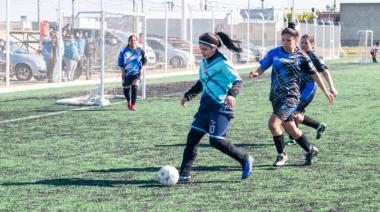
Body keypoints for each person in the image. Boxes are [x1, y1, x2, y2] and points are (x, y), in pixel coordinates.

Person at [249, 23, 335, 167]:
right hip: (276, 95)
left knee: (273, 124)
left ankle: (282, 155)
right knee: (290, 128)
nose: (285, 42)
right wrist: (256, 73)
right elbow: (263, 67)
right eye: (283, 39)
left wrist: (326, 91)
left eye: (288, 40)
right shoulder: (274, 53)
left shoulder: (302, 56)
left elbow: (315, 75)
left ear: (295, 40)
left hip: (291, 96)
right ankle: (310, 149)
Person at [178, 32, 254, 183]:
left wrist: (232, 94)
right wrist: (188, 95)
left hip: (220, 107)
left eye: (204, 49)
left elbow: (237, 81)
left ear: (214, 48)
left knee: (216, 140)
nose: (202, 51)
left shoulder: (223, 63)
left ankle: (245, 159)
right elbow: (202, 82)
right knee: (192, 138)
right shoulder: (204, 62)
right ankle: (184, 174)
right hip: (205, 107)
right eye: (200, 48)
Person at [291, 34, 338, 141]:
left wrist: (332, 87)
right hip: (297, 89)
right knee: (296, 115)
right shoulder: (298, 54)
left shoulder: (313, 56)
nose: (303, 45)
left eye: (306, 43)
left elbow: (325, 72)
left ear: (312, 45)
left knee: (292, 112)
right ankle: (318, 126)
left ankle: (293, 137)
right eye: (301, 42)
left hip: (308, 89)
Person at [118, 34, 147, 111]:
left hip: (136, 73)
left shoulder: (140, 51)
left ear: (136, 41)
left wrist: (142, 70)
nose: (133, 42)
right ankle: (128, 101)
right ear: (128, 41)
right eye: (131, 40)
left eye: (135, 40)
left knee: (134, 88)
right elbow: (120, 62)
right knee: (126, 90)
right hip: (127, 73)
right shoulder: (124, 51)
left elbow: (144, 61)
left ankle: (133, 105)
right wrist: (123, 71)